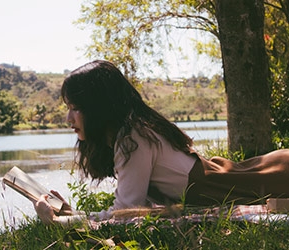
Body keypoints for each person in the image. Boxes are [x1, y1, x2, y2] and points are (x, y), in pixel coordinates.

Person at [34, 60, 289, 225]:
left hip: (264, 180)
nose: (68, 118)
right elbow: (131, 210)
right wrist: (71, 214)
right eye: (68, 108)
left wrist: (63, 222)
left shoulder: (132, 138)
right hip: (241, 178)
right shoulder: (131, 133)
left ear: (99, 108)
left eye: (76, 108)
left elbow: (126, 214)